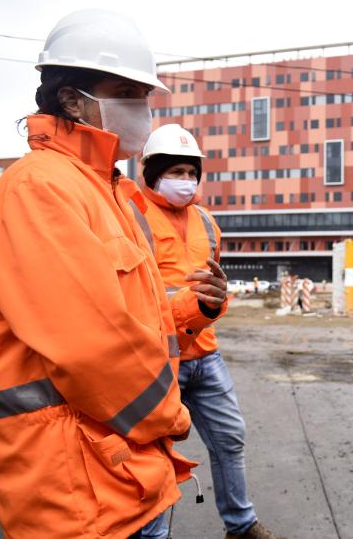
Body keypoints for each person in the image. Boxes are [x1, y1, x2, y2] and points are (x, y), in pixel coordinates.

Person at [0, 9, 226, 538]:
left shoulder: (107, 189)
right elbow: (92, 344)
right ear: (72, 99)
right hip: (75, 488)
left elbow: (131, 312)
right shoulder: (40, 188)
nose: (141, 108)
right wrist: (172, 416)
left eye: (143, 95)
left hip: (119, 471)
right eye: (125, 91)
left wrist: (195, 307)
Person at [128, 124, 274, 539]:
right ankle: (150, 533)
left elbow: (215, 291)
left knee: (230, 438)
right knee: (150, 453)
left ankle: (241, 525)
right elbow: (133, 298)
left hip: (205, 353)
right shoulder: (131, 216)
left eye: (192, 173)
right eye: (176, 171)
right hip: (156, 358)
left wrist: (214, 303)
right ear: (154, 173)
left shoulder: (208, 222)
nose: (186, 181)